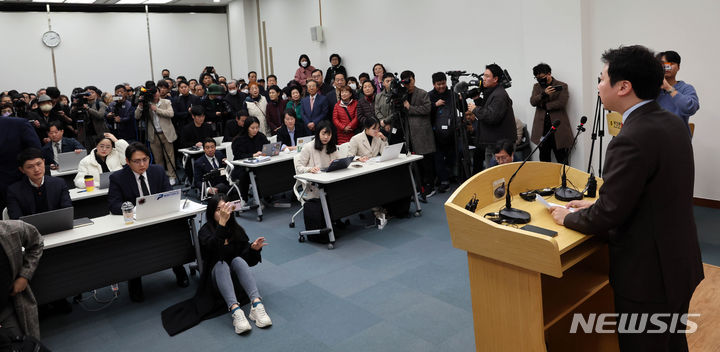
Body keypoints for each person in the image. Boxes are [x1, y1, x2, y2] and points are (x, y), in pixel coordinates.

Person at [548, 45, 703, 352]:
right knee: (671, 342)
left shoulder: (631, 137)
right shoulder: (671, 122)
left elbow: (608, 216)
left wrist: (568, 216)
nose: (598, 86)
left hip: (648, 274)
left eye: (601, 78)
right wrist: (597, 202)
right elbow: (654, 191)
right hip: (678, 261)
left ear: (623, 86)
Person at [107, 142, 189, 301]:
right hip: (135, 224)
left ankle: (179, 269)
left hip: (160, 219)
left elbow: (169, 194)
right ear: (127, 161)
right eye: (136, 161)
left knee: (177, 233)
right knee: (136, 247)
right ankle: (135, 281)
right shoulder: (118, 177)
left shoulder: (157, 171)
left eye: (145, 159)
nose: (142, 164)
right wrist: (137, 209)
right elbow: (113, 205)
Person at [199, 194, 271, 333]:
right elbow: (212, 249)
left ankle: (256, 304)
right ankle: (236, 311)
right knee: (221, 264)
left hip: (236, 282)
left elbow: (248, 261)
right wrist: (222, 225)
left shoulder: (235, 229)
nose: (223, 213)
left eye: (225, 209)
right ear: (211, 212)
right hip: (215, 281)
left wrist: (253, 250)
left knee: (238, 260)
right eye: (218, 210)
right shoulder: (205, 231)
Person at [467, 64, 516, 173]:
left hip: (500, 145)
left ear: (495, 79)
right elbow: (488, 109)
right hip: (494, 142)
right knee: (493, 176)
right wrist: (477, 99)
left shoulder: (499, 95)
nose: (483, 79)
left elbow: (492, 116)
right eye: (484, 75)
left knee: (498, 175)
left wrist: (475, 110)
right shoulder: (492, 93)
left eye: (487, 76)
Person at [0, 220, 44, 339]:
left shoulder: (10, 230)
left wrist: (24, 275)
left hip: (6, 309)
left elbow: (37, 241)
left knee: (27, 344)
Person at [6, 148, 71, 220]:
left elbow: (67, 211)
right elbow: (16, 219)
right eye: (30, 167)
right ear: (22, 170)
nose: (36, 169)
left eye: (39, 164)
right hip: (29, 230)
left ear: (44, 162)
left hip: (58, 226)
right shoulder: (14, 191)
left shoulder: (59, 183)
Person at [400, 70, 436, 201]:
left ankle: (430, 187)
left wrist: (411, 108)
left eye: (409, 81)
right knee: (416, 165)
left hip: (422, 133)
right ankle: (419, 187)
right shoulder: (402, 94)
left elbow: (427, 109)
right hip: (409, 133)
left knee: (427, 163)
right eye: (405, 82)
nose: (408, 84)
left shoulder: (422, 93)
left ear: (414, 79)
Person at [529, 63, 573, 163]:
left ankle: (563, 179)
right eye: (537, 78)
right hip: (542, 128)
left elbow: (561, 102)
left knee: (562, 160)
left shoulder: (561, 85)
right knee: (544, 160)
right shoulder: (537, 87)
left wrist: (544, 105)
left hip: (558, 128)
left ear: (549, 74)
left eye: (542, 77)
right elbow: (533, 101)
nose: (540, 80)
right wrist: (543, 94)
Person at [135, 88, 178, 184]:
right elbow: (137, 116)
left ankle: (172, 176)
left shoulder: (166, 102)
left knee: (170, 157)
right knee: (158, 158)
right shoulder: (147, 104)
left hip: (166, 134)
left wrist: (156, 109)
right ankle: (161, 176)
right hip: (153, 135)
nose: (155, 94)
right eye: (153, 93)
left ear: (159, 92)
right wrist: (140, 106)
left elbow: (171, 114)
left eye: (156, 92)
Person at [428, 72, 460, 193]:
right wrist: (434, 105)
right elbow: (425, 111)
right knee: (438, 156)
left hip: (452, 132)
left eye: (443, 83)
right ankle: (443, 180)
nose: (441, 86)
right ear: (433, 84)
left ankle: (449, 175)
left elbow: (462, 108)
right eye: (438, 84)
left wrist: (461, 99)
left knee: (452, 154)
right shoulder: (429, 96)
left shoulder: (452, 94)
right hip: (435, 133)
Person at [655, 50, 700, 130]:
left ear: (678, 67)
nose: (667, 67)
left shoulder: (686, 88)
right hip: (654, 135)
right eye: (663, 64)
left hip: (677, 136)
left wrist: (668, 88)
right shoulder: (651, 89)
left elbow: (690, 108)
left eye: (671, 64)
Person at [231, 116, 269, 204]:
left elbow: (267, 147)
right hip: (241, 167)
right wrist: (252, 155)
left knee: (268, 171)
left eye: (257, 127)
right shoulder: (238, 140)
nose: (255, 130)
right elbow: (238, 155)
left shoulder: (260, 136)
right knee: (246, 174)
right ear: (247, 127)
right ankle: (244, 199)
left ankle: (265, 195)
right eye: (252, 128)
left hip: (259, 165)